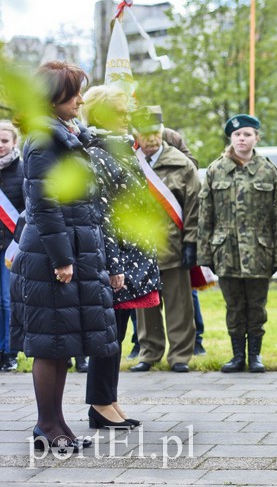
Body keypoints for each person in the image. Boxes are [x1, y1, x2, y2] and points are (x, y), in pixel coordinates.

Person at [10, 61, 117, 450]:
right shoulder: (44, 140)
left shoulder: (65, 134)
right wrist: (62, 259)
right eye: (74, 93)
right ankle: (47, 426)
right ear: (52, 97)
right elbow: (44, 204)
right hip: (50, 257)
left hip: (68, 249)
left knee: (60, 345)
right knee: (49, 345)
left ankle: (58, 427)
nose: (80, 100)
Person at [81, 86, 161, 429]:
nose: (127, 117)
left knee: (119, 333)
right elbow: (105, 214)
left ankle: (109, 399)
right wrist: (113, 265)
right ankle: (100, 404)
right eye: (120, 111)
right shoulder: (97, 153)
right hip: (118, 259)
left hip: (133, 254)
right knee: (108, 334)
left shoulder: (120, 147)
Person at [198, 114, 277, 373]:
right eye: (237, 134)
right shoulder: (216, 170)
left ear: (256, 138)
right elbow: (205, 215)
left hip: (259, 251)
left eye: (247, 134)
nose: (242, 139)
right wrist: (204, 255)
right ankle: (237, 355)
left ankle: (255, 356)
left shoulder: (268, 170)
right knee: (234, 306)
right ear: (231, 138)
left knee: (257, 307)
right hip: (225, 251)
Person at [128, 106, 200, 373]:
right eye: (145, 134)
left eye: (155, 133)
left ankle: (180, 355)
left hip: (173, 244)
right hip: (140, 247)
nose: (151, 139)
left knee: (179, 304)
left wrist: (191, 242)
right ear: (136, 134)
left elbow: (194, 206)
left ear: (162, 132)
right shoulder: (130, 162)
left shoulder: (181, 164)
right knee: (145, 305)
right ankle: (149, 352)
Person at [0, 121, 23, 373]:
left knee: (8, 301)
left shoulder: (23, 170)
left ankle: (9, 352)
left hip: (12, 247)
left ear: (14, 142)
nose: (0, 145)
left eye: (5, 141)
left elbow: (27, 211)